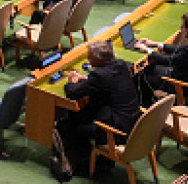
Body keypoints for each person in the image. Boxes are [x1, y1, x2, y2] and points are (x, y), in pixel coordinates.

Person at [58, 42, 141, 176]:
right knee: (83, 114)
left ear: (99, 59)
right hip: (132, 122)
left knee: (67, 125)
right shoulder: (121, 65)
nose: (88, 59)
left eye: (90, 56)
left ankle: (80, 164)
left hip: (116, 131)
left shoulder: (99, 76)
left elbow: (72, 93)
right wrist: (85, 78)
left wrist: (71, 82)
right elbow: (107, 82)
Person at [138, 13, 188, 100]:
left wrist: (147, 50)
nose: (181, 29)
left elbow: (169, 61)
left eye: (182, 27)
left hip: (182, 84)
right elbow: (182, 48)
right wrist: (156, 44)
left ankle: (149, 105)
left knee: (144, 73)